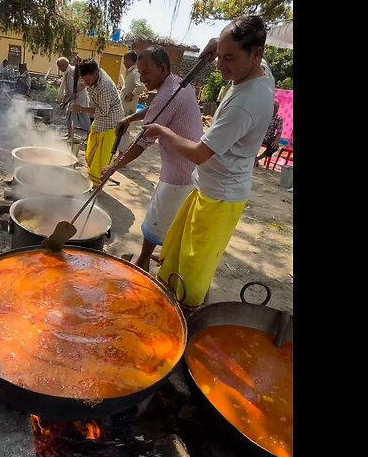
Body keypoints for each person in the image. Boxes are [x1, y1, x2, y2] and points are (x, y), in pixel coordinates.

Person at [142, 15, 276, 312]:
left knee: (194, 267)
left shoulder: (245, 103)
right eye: (221, 55)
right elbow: (234, 52)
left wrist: (163, 131)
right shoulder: (261, 72)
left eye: (230, 58)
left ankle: (188, 317)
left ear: (256, 54)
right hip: (208, 187)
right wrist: (219, 44)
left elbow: (200, 153)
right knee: (175, 249)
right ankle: (170, 297)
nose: (220, 64)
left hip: (221, 196)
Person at [104, 47, 204, 273]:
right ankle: (165, 254)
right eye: (139, 72)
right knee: (174, 220)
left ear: (163, 68)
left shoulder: (168, 95)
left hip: (179, 172)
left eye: (146, 72)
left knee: (154, 220)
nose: (142, 78)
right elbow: (154, 108)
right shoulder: (177, 84)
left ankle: (143, 262)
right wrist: (131, 117)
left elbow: (141, 142)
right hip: (190, 167)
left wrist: (113, 167)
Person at [67, 60, 124, 185]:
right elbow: (82, 80)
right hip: (99, 121)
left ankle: (96, 186)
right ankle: (93, 180)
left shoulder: (105, 86)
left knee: (100, 160)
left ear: (96, 73)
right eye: (84, 80)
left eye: (88, 81)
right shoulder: (91, 74)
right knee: (91, 153)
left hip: (111, 123)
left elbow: (103, 111)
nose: (86, 83)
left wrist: (81, 109)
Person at [58, 56, 91, 139]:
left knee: (84, 118)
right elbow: (66, 90)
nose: (58, 68)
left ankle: (89, 136)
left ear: (63, 65)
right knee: (69, 116)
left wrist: (76, 91)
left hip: (80, 98)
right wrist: (63, 102)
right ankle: (70, 134)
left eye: (59, 66)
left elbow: (84, 83)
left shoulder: (74, 70)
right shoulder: (65, 74)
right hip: (72, 99)